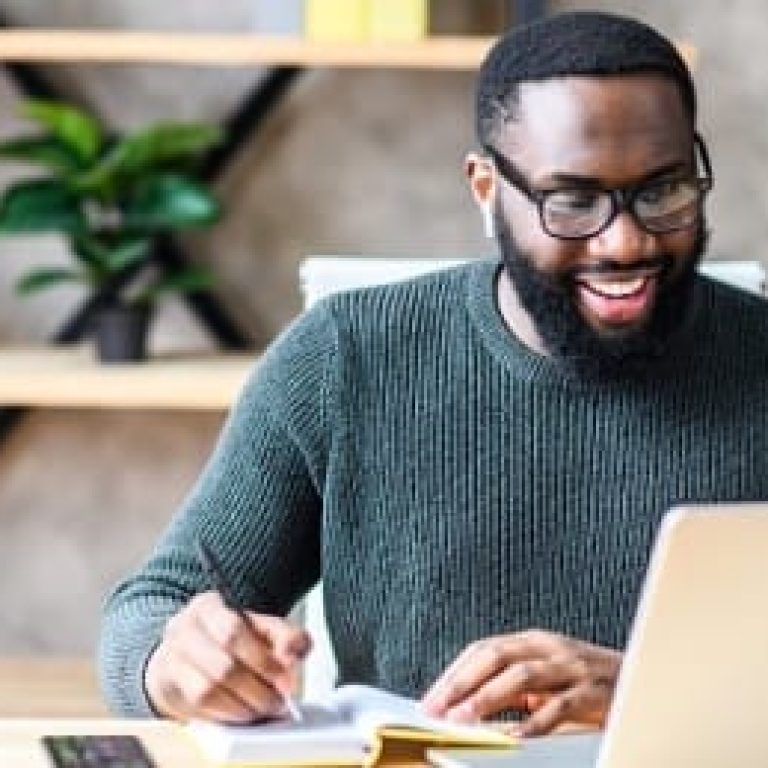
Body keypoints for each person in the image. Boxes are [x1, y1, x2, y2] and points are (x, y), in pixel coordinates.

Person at [99, 11, 768, 737]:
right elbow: (153, 609)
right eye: (573, 200)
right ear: (486, 188)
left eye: (663, 190)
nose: (626, 238)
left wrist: (646, 691)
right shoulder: (343, 358)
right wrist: (177, 660)